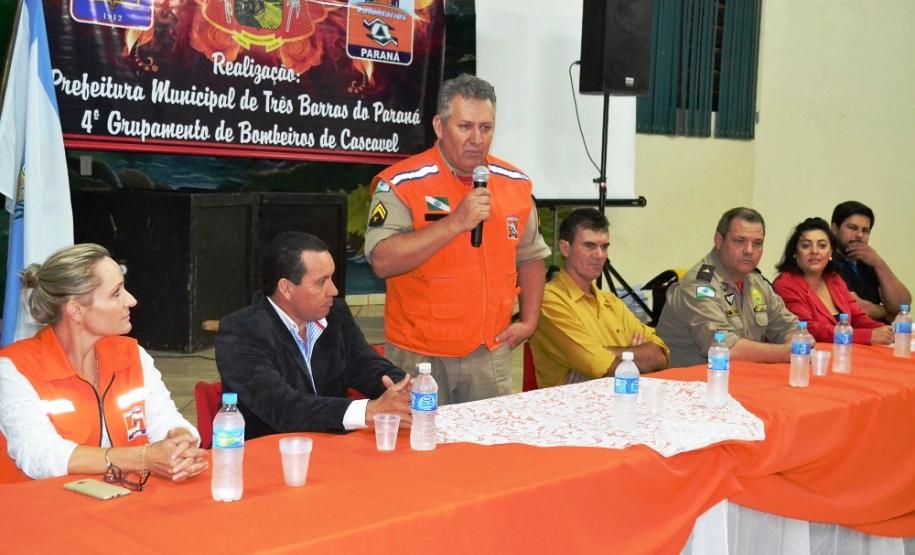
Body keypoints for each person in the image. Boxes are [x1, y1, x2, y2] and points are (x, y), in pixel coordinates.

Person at [364, 73, 550, 404]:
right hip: (418, 355)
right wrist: (456, 223)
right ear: (439, 126)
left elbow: (531, 255)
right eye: (465, 127)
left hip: (489, 353)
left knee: (488, 452)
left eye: (486, 128)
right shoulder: (401, 183)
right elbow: (382, 260)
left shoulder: (516, 184)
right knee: (420, 452)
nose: (476, 139)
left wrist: (530, 319)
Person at [0, 244, 206, 484]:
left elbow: (164, 417)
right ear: (76, 310)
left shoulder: (132, 354)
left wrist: (181, 440)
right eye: (116, 293)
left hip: (123, 501)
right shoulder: (13, 369)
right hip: (41, 511)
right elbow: (40, 455)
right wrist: (142, 458)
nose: (131, 300)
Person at [215, 232, 411, 440]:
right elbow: (283, 408)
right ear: (286, 288)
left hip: (332, 449)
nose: (334, 290)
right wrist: (367, 411)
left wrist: (401, 387)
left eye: (332, 278)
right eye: (321, 282)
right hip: (269, 456)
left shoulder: (335, 314)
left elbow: (364, 364)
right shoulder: (241, 331)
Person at [529, 209, 669, 388]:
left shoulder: (611, 301)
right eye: (589, 246)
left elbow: (660, 356)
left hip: (620, 399)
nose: (600, 255)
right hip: (573, 408)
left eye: (604, 246)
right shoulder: (549, 301)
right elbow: (605, 368)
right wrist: (634, 353)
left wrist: (602, 352)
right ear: (565, 248)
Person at [657, 207, 799, 368]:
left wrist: (795, 341)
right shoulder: (699, 284)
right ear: (719, 241)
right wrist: (787, 352)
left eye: (757, 243)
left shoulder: (756, 282)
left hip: (740, 379)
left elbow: (790, 327)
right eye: (740, 241)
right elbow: (725, 348)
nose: (749, 250)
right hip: (694, 384)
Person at [772, 217, 892, 345]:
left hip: (844, 354)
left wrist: (883, 329)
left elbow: (857, 317)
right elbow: (808, 329)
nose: (814, 251)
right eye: (806, 246)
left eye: (822, 246)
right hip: (810, 357)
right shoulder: (785, 284)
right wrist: (867, 336)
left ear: (830, 253)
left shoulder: (834, 278)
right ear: (795, 252)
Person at [830, 201, 911, 322]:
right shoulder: (827, 262)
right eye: (853, 228)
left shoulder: (869, 261)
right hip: (849, 335)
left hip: (883, 335)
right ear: (835, 229)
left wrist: (879, 263)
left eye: (865, 230)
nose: (859, 235)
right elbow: (857, 307)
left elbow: (902, 306)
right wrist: (887, 312)